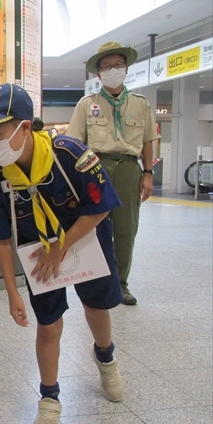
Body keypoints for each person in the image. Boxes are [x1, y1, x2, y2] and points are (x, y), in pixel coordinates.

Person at [0, 84, 124, 424]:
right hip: (38, 254)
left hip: (87, 239)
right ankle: (49, 399)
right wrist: (14, 294)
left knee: (95, 307)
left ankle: (105, 358)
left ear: (25, 126)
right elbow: (0, 238)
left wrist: (61, 247)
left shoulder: (70, 154)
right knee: (48, 324)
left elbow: (101, 205)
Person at [66, 41, 159, 306]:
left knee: (127, 228)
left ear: (126, 68)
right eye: (106, 67)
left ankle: (121, 284)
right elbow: (74, 144)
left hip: (130, 168)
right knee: (92, 225)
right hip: (96, 168)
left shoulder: (141, 104)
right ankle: (97, 281)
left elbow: (148, 141)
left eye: (117, 65)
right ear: (98, 74)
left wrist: (148, 173)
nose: (112, 70)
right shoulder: (87, 105)